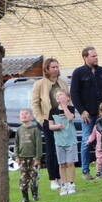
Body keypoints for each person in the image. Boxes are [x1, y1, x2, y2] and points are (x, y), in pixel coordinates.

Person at [70, 46, 102, 180]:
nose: (96, 58)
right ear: (85, 57)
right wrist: (82, 111)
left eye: (96, 55)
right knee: (86, 141)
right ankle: (85, 171)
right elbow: (74, 94)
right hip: (88, 114)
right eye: (93, 56)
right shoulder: (78, 73)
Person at [30, 57, 70, 191]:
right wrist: (41, 119)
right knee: (51, 150)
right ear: (47, 69)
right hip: (48, 120)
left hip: (62, 120)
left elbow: (68, 100)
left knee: (62, 149)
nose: (56, 69)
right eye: (53, 67)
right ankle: (53, 179)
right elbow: (35, 103)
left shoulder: (63, 83)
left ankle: (61, 177)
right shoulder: (40, 84)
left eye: (57, 67)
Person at [47, 89, 78, 195]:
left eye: (61, 94)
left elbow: (70, 117)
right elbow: (50, 126)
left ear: (67, 97)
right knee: (62, 164)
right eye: (57, 95)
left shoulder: (71, 108)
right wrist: (57, 126)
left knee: (70, 163)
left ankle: (71, 184)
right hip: (59, 141)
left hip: (71, 140)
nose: (59, 96)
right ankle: (63, 185)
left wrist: (64, 106)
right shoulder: (52, 110)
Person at [14, 109, 42, 202]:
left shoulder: (35, 129)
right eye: (21, 114)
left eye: (26, 114)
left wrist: (38, 158)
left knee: (34, 177)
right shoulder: (19, 130)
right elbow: (16, 144)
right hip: (22, 158)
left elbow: (38, 145)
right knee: (23, 178)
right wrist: (17, 156)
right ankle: (25, 198)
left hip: (33, 158)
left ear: (31, 117)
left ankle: (35, 196)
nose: (24, 115)